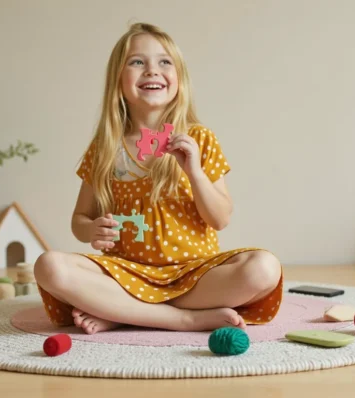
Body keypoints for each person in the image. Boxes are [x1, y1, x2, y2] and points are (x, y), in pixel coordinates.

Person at [34, 22, 283, 335]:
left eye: (165, 62)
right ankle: (183, 319)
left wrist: (193, 171)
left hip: (195, 274)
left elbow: (220, 219)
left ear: (179, 78)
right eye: (138, 62)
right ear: (118, 81)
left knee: (264, 268)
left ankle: (125, 312)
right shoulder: (105, 148)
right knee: (49, 266)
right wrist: (91, 230)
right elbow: (80, 219)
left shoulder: (200, 139)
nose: (152, 70)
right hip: (126, 274)